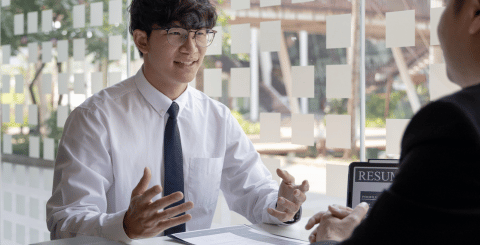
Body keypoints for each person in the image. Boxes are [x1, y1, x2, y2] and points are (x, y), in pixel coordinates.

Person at [46, 0, 310, 243]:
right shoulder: (95, 118)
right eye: (177, 34)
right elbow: (65, 221)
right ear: (142, 40)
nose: (191, 48)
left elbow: (253, 190)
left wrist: (281, 205)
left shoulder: (217, 118)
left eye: (201, 34)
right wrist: (124, 226)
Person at [306, 0, 480, 244]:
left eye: (445, 7)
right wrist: (376, 226)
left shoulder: (453, 124)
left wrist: (333, 238)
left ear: (474, 14)